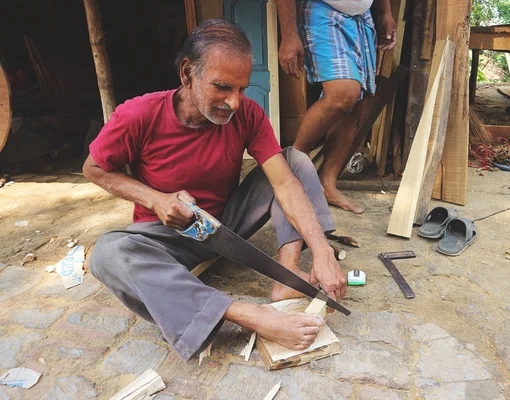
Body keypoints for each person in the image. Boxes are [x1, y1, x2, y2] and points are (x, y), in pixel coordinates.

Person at [83, 19, 347, 362]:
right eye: (222, 87)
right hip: (167, 235)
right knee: (107, 253)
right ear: (187, 74)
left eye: (242, 89)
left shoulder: (248, 114)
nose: (234, 102)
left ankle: (286, 275)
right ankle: (243, 314)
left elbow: (283, 182)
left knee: (294, 159)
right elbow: (93, 168)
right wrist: (155, 199)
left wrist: (322, 250)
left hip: (224, 224)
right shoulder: (137, 115)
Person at [274, 0, 397, 214]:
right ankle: (289, 172)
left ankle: (327, 185)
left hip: (361, 16)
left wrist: (385, 12)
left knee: (359, 102)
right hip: (322, 10)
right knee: (343, 93)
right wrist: (289, 35)